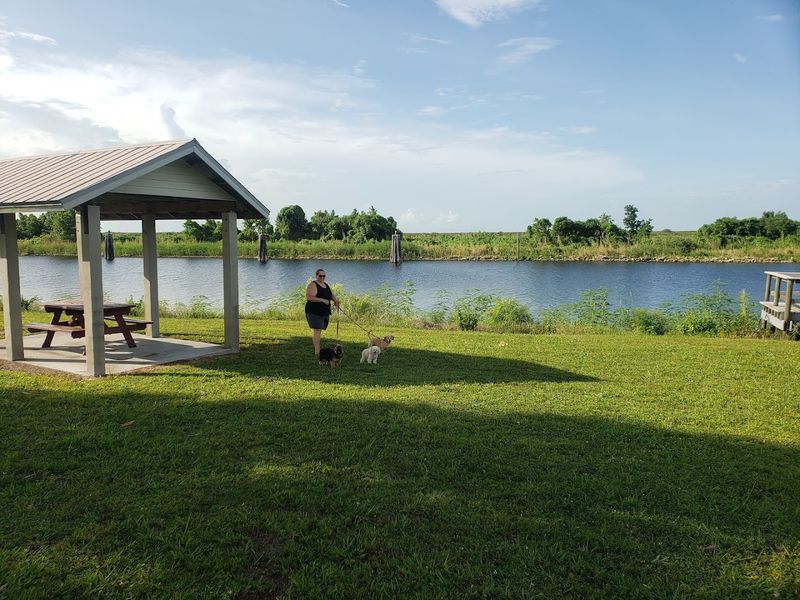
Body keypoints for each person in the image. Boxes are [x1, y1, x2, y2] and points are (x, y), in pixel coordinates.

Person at [305, 268, 340, 357]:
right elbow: (309, 297)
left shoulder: (326, 285)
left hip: (324, 312)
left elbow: (331, 295)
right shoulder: (313, 285)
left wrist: (336, 301)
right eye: (320, 276)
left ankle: (318, 349)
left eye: (324, 276)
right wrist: (322, 300)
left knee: (319, 330)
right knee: (317, 330)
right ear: (316, 276)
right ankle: (317, 351)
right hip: (314, 311)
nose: (322, 277)